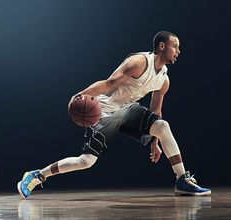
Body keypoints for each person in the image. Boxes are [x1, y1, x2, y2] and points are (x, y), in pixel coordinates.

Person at [17, 31, 211, 198]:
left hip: (128, 110)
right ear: (162, 46)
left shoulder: (164, 80)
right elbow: (109, 83)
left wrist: (155, 141)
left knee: (162, 126)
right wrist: (80, 95)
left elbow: (155, 111)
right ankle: (37, 175)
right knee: (86, 162)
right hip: (105, 112)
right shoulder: (139, 62)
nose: (178, 51)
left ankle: (181, 179)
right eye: (175, 46)